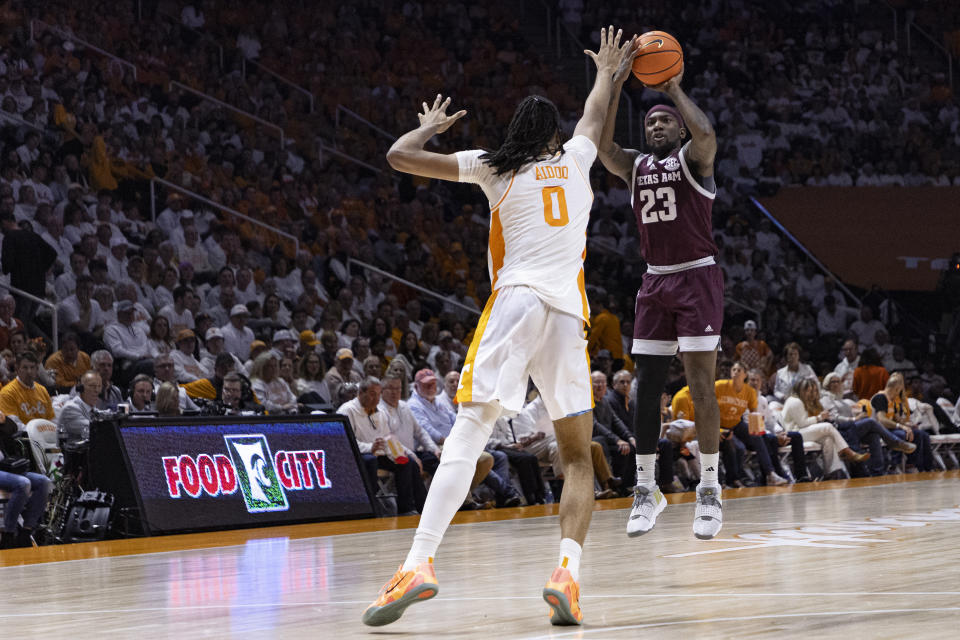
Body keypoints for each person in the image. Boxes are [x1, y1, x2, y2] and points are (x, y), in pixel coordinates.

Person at [362, 28, 638, 627]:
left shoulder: (493, 166)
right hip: (569, 316)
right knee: (578, 458)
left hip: (517, 303)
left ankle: (419, 562)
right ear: (554, 135)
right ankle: (568, 571)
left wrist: (430, 128)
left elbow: (398, 157)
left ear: (516, 134)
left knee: (471, 428)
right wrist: (609, 73)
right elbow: (594, 114)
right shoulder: (577, 160)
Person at [597, 40, 724, 540]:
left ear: (678, 127)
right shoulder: (635, 166)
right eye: (650, 122)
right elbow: (604, 148)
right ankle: (647, 489)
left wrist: (673, 88)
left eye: (664, 121)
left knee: (698, 385)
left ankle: (710, 490)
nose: (656, 127)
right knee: (646, 388)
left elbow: (709, 133)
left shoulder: (695, 160)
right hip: (655, 280)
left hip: (697, 276)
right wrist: (614, 86)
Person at [339, 376, 426, 516]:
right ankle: (370, 508)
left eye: (379, 394)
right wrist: (370, 447)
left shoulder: (378, 412)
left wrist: (410, 454)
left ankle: (409, 508)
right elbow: (346, 442)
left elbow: (389, 439)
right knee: (370, 460)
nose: (377, 399)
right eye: (373, 394)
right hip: (357, 456)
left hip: (380, 454)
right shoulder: (347, 411)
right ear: (360, 392)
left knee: (408, 462)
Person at [782, 379, 870, 479]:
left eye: (811, 391)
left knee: (828, 439)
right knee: (828, 427)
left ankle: (832, 473)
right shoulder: (795, 401)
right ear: (800, 390)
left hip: (801, 432)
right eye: (807, 391)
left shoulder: (798, 400)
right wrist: (820, 417)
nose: (809, 394)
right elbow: (803, 423)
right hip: (795, 434)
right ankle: (848, 452)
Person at [0, 414, 52, 549]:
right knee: (23, 483)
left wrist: (4, 420)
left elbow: (12, 429)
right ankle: (8, 534)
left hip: (5, 466)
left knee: (44, 482)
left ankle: (26, 531)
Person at [870, 373, 933, 472]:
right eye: (899, 390)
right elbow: (882, 420)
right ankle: (894, 465)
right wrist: (901, 426)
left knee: (920, 434)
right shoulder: (880, 397)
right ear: (896, 388)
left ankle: (915, 465)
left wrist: (908, 425)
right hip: (878, 431)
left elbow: (897, 419)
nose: (899, 393)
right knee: (902, 434)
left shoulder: (892, 400)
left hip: (889, 430)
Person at [0, 351, 55, 426]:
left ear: (37, 369)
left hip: (44, 434)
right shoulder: (7, 393)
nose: (29, 372)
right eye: (25, 368)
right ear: (17, 369)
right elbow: (14, 425)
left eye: (32, 367)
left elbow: (52, 420)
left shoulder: (42, 390)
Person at [57, 370, 102, 446]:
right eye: (92, 386)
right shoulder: (70, 409)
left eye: (99, 386)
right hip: (71, 456)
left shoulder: (92, 409)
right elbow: (94, 432)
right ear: (81, 388)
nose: (97, 390)